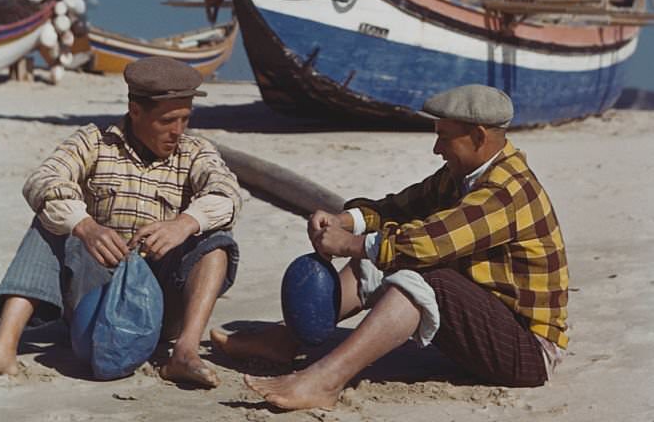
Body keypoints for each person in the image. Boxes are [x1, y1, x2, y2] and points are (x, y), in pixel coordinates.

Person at [212, 84, 568, 410]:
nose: (437, 149)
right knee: (382, 253)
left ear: (478, 136)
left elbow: (427, 244)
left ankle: (324, 381)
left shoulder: (506, 190)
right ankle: (285, 339)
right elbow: (397, 207)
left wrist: (352, 244)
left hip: (526, 353)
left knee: (424, 272)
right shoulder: (460, 177)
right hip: (489, 324)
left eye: (444, 138)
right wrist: (345, 222)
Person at [0, 56, 241, 389]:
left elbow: (227, 193)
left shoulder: (195, 151)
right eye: (167, 120)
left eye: (185, 119)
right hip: (93, 299)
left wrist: (185, 223)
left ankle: (185, 353)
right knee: (51, 220)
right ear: (136, 111)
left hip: (161, 304)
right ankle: (2, 347)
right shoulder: (93, 142)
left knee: (216, 237)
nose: (178, 131)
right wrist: (85, 226)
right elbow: (42, 180)